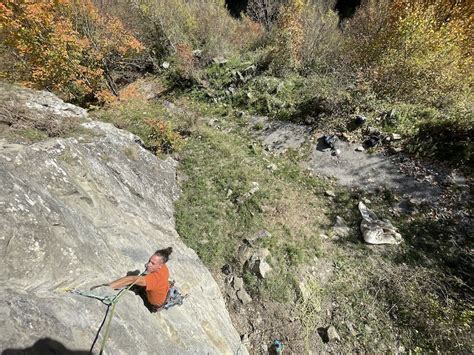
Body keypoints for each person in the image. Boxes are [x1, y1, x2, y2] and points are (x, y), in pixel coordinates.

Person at [92, 247, 173, 310]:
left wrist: (108, 286)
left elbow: (132, 279)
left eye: (152, 263)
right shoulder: (163, 266)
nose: (147, 264)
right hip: (161, 291)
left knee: (138, 283)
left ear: (160, 266)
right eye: (149, 261)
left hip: (153, 304)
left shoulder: (155, 279)